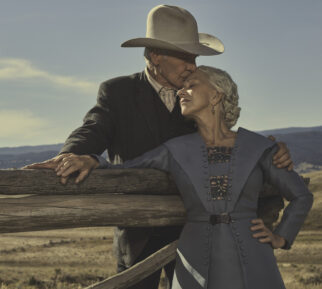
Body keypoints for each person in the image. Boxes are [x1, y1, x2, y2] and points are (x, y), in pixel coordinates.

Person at [24, 5, 293, 288]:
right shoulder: (118, 92)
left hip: (196, 231)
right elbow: (94, 127)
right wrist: (75, 153)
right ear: (155, 55)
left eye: (195, 57)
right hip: (138, 231)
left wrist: (267, 151)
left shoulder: (196, 95)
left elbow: (222, 136)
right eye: (184, 56)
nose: (192, 65)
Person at [50, 66, 314, 289]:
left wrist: (281, 236)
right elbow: (125, 169)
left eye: (191, 85)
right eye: (182, 86)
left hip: (253, 253)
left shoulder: (260, 147)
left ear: (215, 96)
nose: (181, 90)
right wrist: (90, 159)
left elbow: (301, 195)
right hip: (194, 254)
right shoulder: (174, 150)